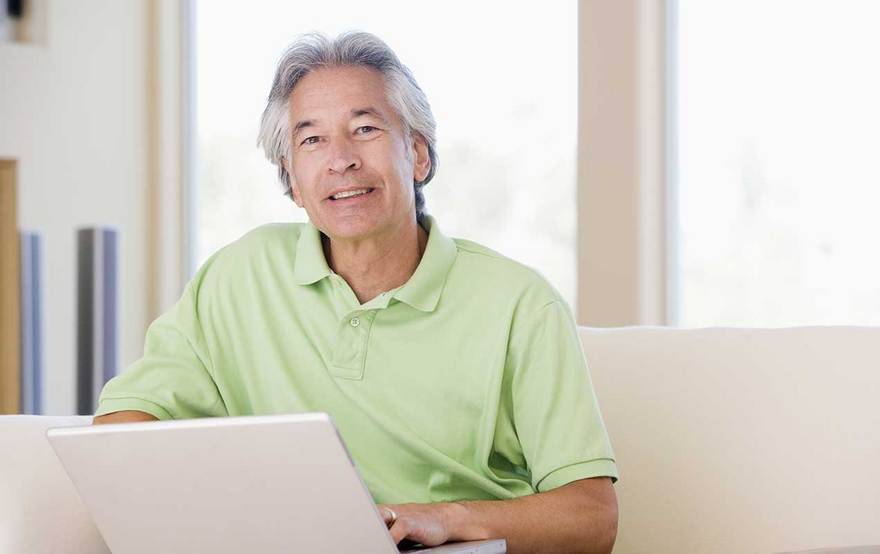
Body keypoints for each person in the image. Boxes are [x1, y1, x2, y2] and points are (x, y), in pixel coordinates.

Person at [94, 31, 619, 553]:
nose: (340, 159)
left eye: (364, 128)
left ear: (417, 155)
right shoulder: (237, 275)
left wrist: (444, 519)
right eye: (312, 140)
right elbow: (124, 427)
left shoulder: (520, 303)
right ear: (293, 181)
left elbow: (592, 519)